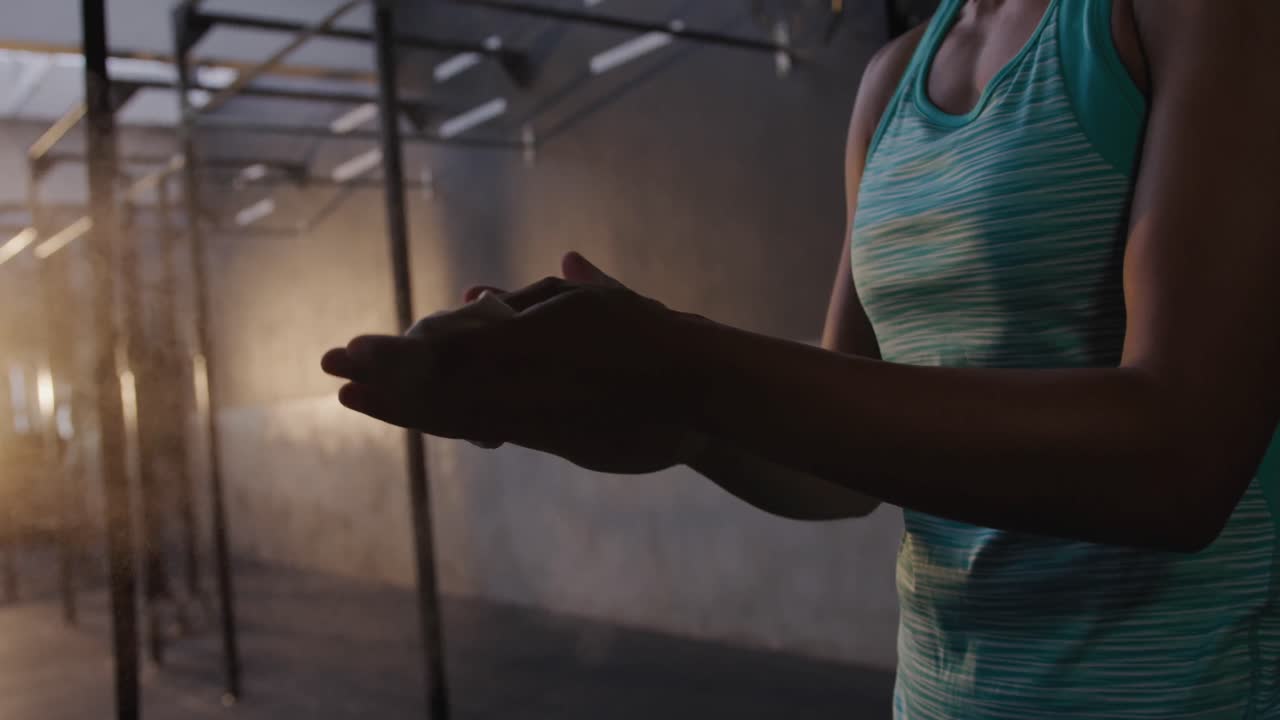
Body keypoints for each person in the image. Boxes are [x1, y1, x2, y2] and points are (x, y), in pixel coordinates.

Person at [322, 0, 1280, 716]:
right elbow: (843, 471)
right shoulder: (893, 80)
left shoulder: (1194, 14)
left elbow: (1182, 463)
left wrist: (682, 362)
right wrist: (679, 423)